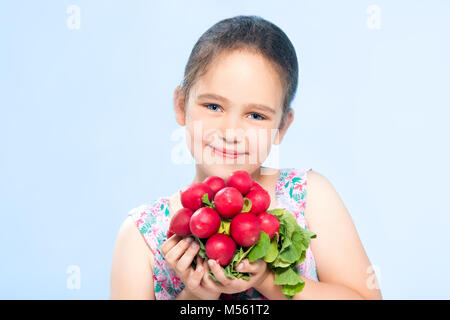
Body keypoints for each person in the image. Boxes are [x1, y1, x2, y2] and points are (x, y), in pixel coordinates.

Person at [110, 15, 382, 300]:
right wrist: (195, 296)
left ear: (282, 126)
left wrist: (268, 279)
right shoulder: (142, 237)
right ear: (181, 105)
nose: (231, 131)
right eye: (213, 106)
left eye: (256, 115)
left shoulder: (309, 196)